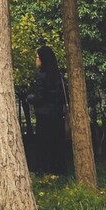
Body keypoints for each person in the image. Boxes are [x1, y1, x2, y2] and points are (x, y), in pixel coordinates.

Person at [28, 45, 69, 176]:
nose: (36, 60)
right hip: (57, 115)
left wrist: (30, 98)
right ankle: (59, 171)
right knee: (57, 144)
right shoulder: (59, 76)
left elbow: (39, 98)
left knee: (43, 145)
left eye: (37, 57)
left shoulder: (41, 76)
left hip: (44, 115)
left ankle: (43, 171)